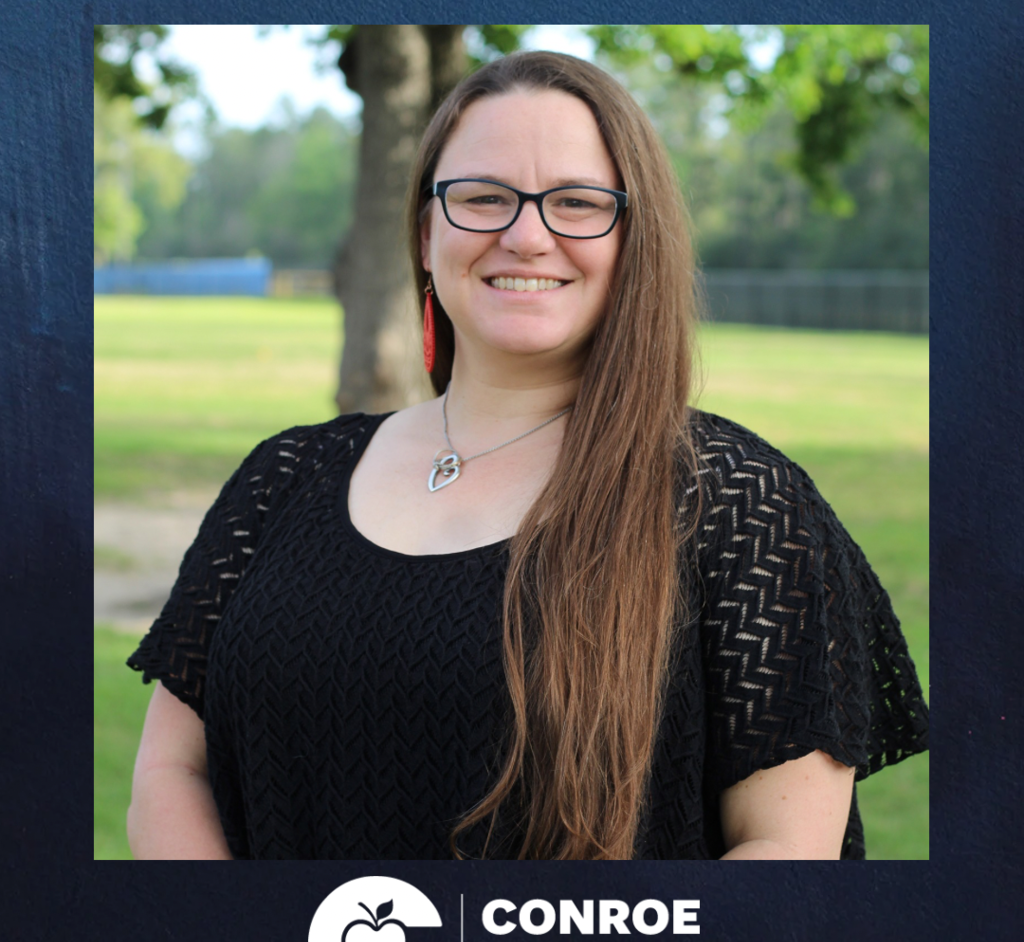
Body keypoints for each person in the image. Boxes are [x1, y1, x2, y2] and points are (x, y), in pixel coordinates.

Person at [126, 50, 928, 861]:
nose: (526, 236)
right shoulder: (284, 477)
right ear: (426, 232)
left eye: (577, 202)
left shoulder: (738, 501)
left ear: (635, 238)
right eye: (483, 197)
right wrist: (239, 938)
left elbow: (785, 851)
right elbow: (170, 770)